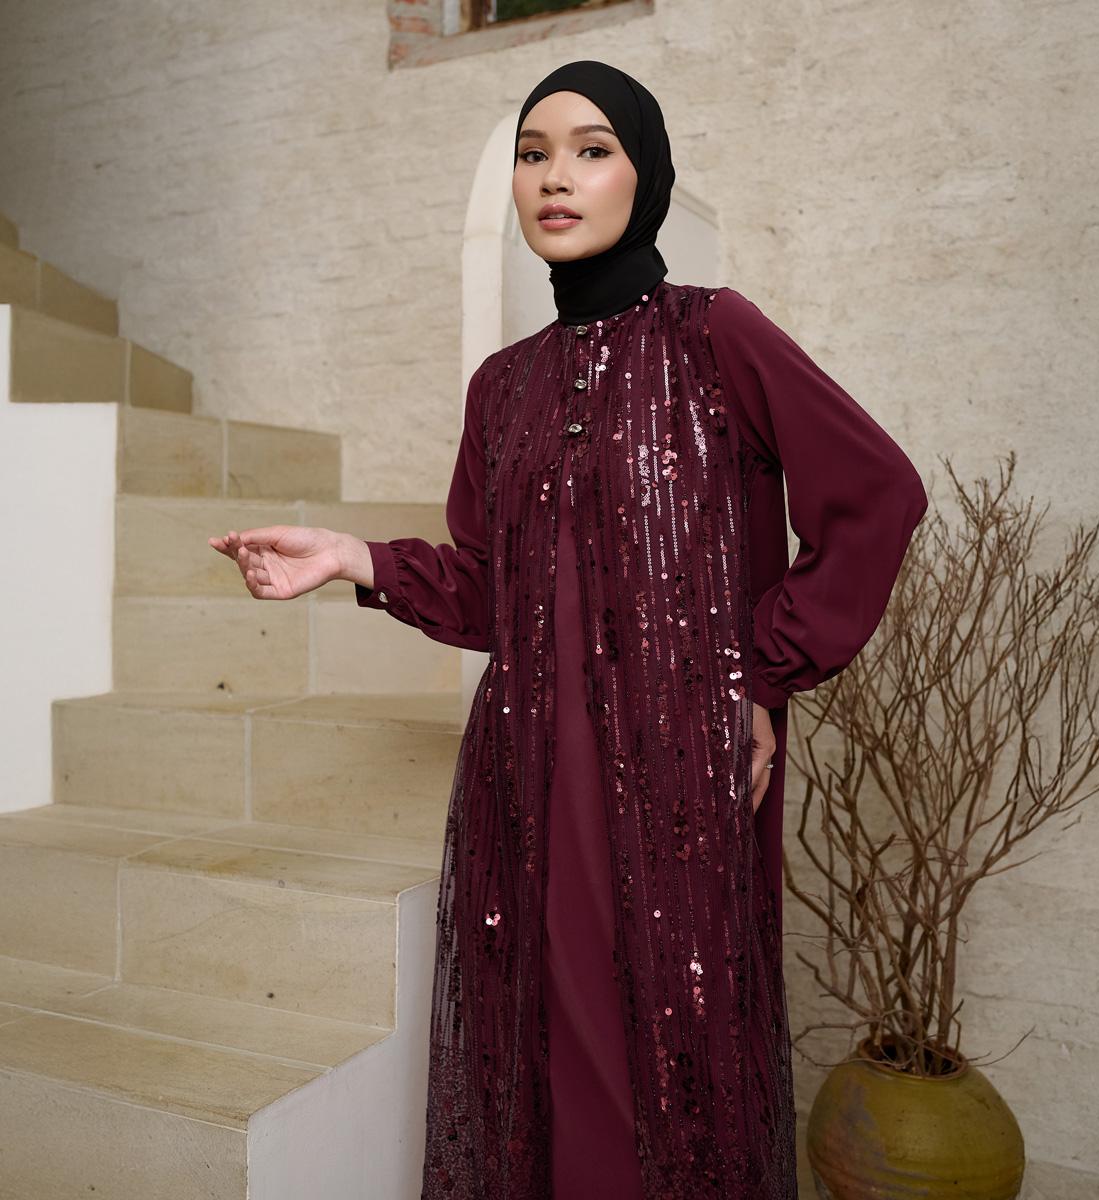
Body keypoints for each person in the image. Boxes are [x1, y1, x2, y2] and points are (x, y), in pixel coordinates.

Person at [209, 59, 927, 1200]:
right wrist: (353, 557)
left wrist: (759, 676)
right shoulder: (504, 388)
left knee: (673, 1075)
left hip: (680, 779)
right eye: (534, 154)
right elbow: (492, 592)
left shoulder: (717, 335)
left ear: (644, 176)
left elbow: (877, 494)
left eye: (593, 150)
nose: (556, 177)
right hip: (529, 779)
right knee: (543, 1068)